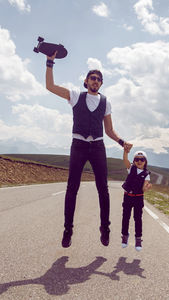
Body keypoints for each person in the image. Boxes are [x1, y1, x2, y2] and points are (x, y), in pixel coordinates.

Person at [45, 53, 132, 248]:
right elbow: (50, 87)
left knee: (103, 189)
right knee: (72, 188)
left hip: (98, 147)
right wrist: (50, 62)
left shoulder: (105, 102)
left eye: (99, 79)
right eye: (93, 78)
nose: (96, 81)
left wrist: (121, 141)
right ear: (86, 81)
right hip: (79, 145)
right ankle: (68, 229)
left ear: (101, 84)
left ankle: (105, 228)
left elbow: (109, 130)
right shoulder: (75, 96)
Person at [121, 150, 152, 251]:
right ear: (134, 161)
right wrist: (125, 152)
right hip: (128, 196)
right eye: (137, 159)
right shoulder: (131, 168)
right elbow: (125, 159)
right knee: (126, 217)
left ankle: (138, 239)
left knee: (137, 218)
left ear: (145, 161)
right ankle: (124, 236)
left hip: (138, 198)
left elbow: (143, 189)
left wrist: (146, 188)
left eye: (142, 159)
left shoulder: (146, 174)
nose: (139, 161)